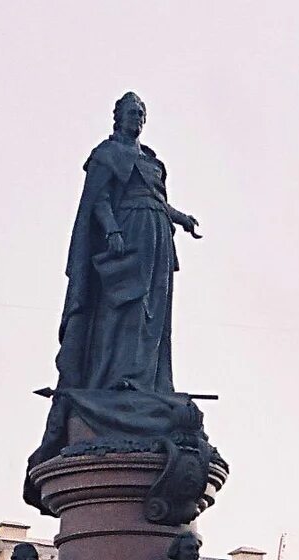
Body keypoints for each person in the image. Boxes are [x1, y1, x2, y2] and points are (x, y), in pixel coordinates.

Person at [56, 92, 201, 397]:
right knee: (125, 304)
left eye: (141, 114)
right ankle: (115, 377)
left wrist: (181, 218)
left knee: (154, 312)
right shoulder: (106, 153)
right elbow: (98, 199)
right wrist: (111, 231)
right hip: (128, 232)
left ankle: (148, 381)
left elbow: (159, 201)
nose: (137, 119)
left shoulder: (152, 160)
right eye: (132, 113)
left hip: (158, 238)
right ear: (119, 117)